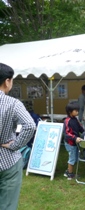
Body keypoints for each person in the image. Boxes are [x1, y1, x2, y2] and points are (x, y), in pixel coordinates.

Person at [0, 63, 36, 210]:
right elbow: (30, 125)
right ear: (7, 81)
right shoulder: (12, 103)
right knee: (7, 205)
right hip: (8, 158)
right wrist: (14, 145)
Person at [63, 101, 84, 180]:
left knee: (75, 157)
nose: (77, 112)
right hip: (70, 143)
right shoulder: (67, 121)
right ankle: (70, 175)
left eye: (77, 110)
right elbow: (67, 133)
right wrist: (75, 138)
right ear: (70, 112)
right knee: (72, 158)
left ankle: (68, 171)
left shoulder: (75, 119)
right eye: (76, 110)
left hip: (75, 143)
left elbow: (80, 128)